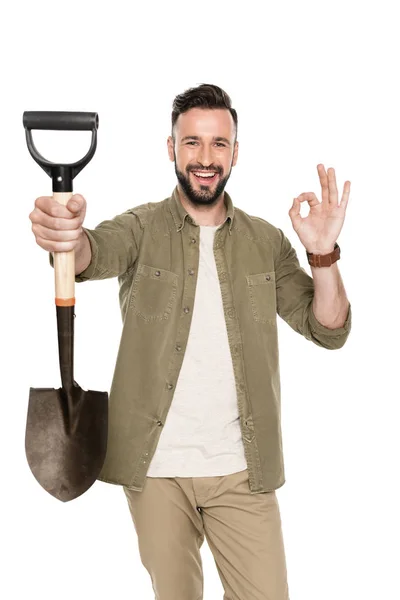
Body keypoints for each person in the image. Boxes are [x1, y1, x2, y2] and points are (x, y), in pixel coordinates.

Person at [29, 83, 352, 600]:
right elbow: (92, 253)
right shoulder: (141, 227)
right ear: (172, 149)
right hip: (155, 469)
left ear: (235, 152)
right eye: (192, 143)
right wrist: (68, 236)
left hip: (243, 470)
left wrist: (324, 254)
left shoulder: (265, 241)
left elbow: (329, 329)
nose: (205, 158)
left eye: (218, 144)